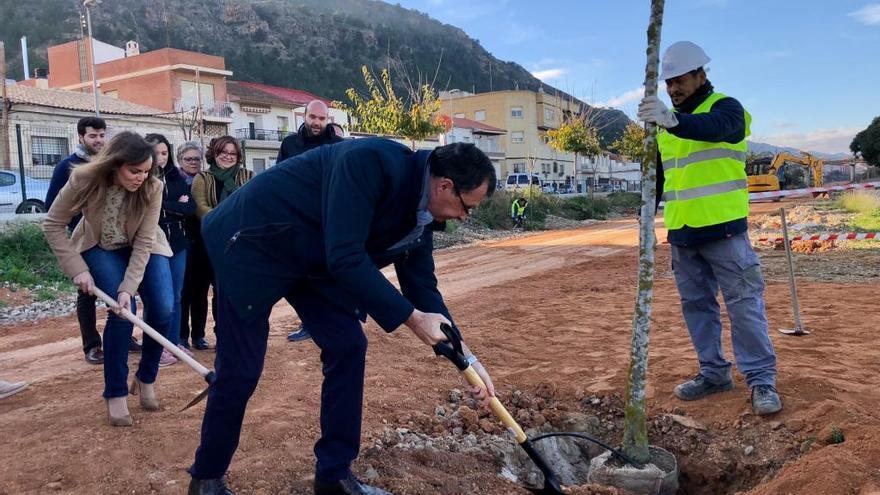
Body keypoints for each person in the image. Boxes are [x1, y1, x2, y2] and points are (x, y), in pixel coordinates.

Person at [187, 139, 497, 495]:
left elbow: (422, 284)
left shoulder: (422, 211)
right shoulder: (369, 163)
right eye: (465, 207)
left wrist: (467, 358)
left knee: (348, 345)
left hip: (312, 258)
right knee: (241, 370)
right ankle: (206, 479)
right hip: (253, 243)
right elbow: (346, 257)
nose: (463, 217)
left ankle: (333, 475)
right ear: (445, 186)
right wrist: (412, 319)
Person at [637, 41, 781, 416]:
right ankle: (714, 372)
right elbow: (657, 177)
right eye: (667, 82)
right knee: (697, 307)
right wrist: (645, 219)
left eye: (679, 80)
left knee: (744, 306)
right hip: (683, 235)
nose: (672, 89)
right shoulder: (664, 128)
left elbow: (721, 129)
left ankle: (761, 380)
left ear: (701, 74)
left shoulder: (725, 108)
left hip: (725, 232)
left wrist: (674, 120)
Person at [43, 131, 174, 426]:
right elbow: (52, 224)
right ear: (115, 164)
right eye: (134, 170)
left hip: (145, 246)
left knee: (164, 308)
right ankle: (115, 392)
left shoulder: (153, 187)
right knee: (122, 314)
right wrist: (77, 268)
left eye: (146, 170)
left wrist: (129, 287)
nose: (141, 177)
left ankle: (146, 377)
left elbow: (143, 243)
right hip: (99, 245)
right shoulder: (83, 180)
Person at [44, 117, 142, 364]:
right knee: (86, 292)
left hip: (114, 240)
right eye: (92, 136)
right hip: (84, 239)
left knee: (120, 290)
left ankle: (124, 336)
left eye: (101, 135)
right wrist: (79, 227)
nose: (98, 140)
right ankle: (92, 345)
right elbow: (52, 207)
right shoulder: (69, 166)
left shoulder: (114, 164)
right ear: (80, 137)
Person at [277, 100, 345, 343]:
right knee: (303, 274)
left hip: (329, 218)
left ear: (328, 119)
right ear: (303, 117)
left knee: (332, 270)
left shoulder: (338, 145)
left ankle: (337, 321)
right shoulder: (290, 144)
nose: (317, 122)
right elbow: (279, 178)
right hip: (298, 219)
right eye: (312, 117)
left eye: (322, 118)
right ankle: (310, 323)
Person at [190, 136, 254, 349]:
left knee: (227, 291)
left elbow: (253, 204)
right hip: (208, 242)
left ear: (238, 156)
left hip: (238, 244)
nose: (228, 156)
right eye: (223, 152)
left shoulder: (248, 176)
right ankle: (197, 335)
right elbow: (200, 206)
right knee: (200, 291)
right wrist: (223, 222)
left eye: (232, 153)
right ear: (214, 154)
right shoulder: (203, 177)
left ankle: (225, 334)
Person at [145, 134, 197, 367]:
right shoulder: (141, 177)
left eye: (164, 153)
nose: (161, 157)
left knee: (176, 296)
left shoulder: (176, 176)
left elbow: (190, 208)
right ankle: (156, 346)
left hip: (178, 242)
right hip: (154, 245)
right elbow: (146, 210)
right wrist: (174, 205)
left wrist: (165, 207)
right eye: (156, 153)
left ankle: (173, 343)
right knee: (158, 299)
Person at [176, 142, 211, 350]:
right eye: (189, 159)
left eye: (197, 159)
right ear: (180, 160)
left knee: (201, 292)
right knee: (184, 292)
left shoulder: (205, 181)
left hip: (203, 243)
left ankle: (199, 335)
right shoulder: (175, 182)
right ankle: (181, 336)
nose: (193, 163)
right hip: (182, 244)